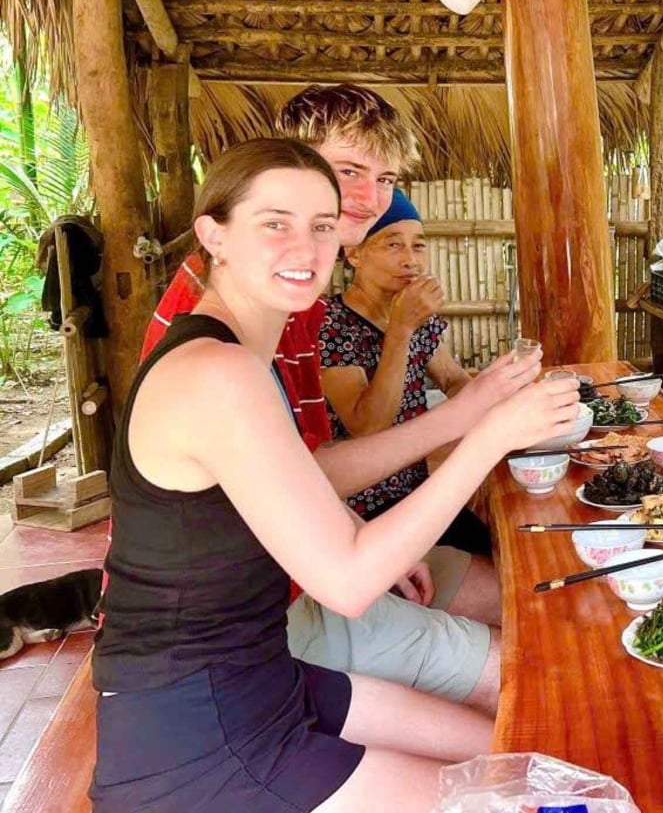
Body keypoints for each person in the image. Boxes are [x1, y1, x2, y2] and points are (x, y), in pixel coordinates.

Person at [92, 138, 583, 812]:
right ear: (215, 235)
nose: (306, 247)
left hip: (262, 678)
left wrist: (467, 409)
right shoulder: (217, 371)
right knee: (524, 796)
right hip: (198, 739)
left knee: (527, 759)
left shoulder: (239, 349)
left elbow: (310, 478)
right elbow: (348, 581)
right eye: (275, 223)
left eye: (322, 226)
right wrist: (490, 435)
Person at [141, 85, 504, 710]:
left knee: (525, 608)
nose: (367, 197)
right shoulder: (227, 333)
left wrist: (472, 409)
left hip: (310, 572)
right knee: (527, 670)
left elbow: (306, 465)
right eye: (348, 171)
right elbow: (344, 474)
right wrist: (483, 430)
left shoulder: (295, 304)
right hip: (244, 630)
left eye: (384, 177)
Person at [320, 189, 489, 556]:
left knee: (502, 550)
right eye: (393, 245)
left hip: (415, 490)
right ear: (354, 255)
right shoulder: (331, 325)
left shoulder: (412, 315)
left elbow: (452, 378)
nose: (410, 259)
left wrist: (493, 395)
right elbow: (367, 426)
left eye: (418, 246)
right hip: (361, 509)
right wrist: (400, 330)